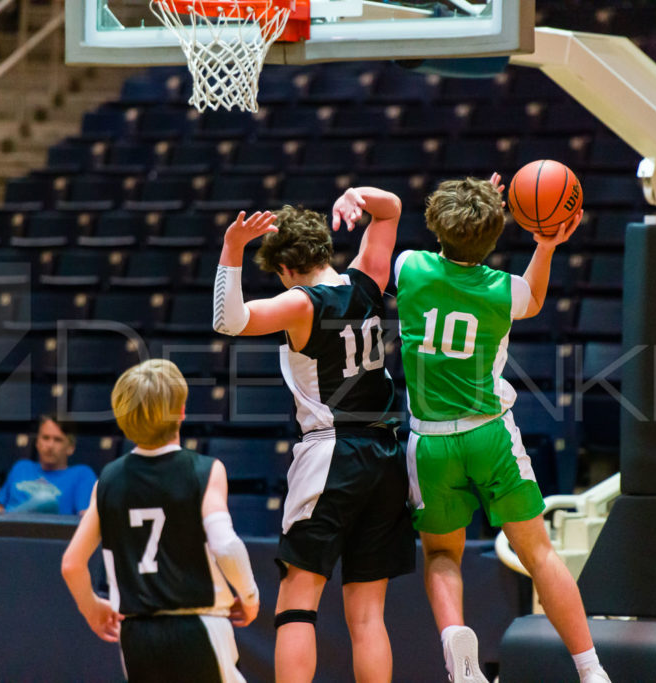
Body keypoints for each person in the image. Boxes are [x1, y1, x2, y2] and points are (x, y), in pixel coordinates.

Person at [394, 174, 609, 683]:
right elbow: (534, 296)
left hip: (430, 443)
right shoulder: (503, 290)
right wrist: (546, 241)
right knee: (539, 552)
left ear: (436, 225)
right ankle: (591, 669)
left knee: (444, 554)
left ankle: (456, 650)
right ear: (495, 236)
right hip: (490, 434)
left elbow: (441, 248)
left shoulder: (409, 268)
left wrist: (469, 209)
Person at [212, 187, 415, 683]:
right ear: (326, 248)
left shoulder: (300, 303)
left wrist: (231, 248)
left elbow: (228, 320)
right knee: (367, 615)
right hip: (388, 454)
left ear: (283, 270)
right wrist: (356, 196)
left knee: (297, 604)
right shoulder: (369, 278)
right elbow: (392, 209)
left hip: (333, 455)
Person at [62, 359, 259, 683]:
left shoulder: (106, 481)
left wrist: (91, 608)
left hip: (137, 633)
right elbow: (225, 544)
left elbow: (72, 564)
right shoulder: (205, 470)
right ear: (181, 411)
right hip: (198, 624)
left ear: (123, 420)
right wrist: (249, 597)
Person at [0, 415, 96, 515]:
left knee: (45, 499)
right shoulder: (21, 467)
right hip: (6, 527)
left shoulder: (81, 474)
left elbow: (86, 517)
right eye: (45, 438)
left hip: (49, 529)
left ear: (70, 448)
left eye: (57, 440)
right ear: (37, 443)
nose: (50, 446)